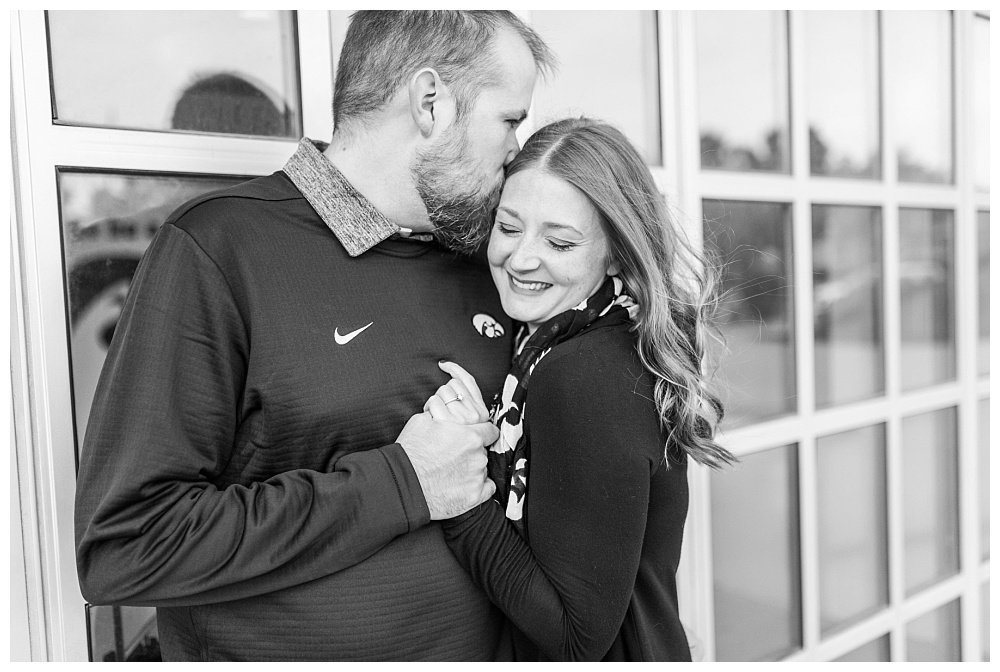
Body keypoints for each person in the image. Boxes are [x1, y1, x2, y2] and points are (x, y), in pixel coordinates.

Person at [74, 11, 553, 661]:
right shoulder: (220, 250)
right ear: (431, 102)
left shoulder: (491, 258)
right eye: (510, 121)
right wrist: (402, 482)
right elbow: (126, 548)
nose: (516, 151)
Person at [422, 118, 735, 661]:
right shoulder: (577, 336)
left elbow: (576, 639)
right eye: (509, 227)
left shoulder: (583, 372)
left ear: (616, 254)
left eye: (559, 242)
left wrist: (463, 501)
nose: (521, 259)